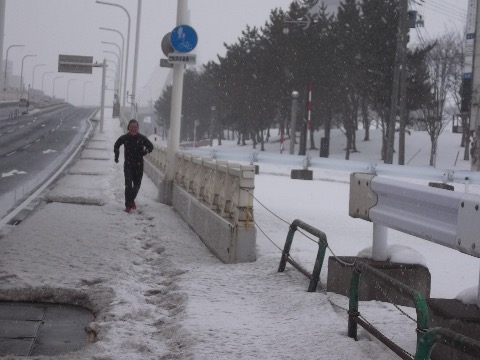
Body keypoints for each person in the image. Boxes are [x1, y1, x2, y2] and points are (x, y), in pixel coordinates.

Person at [114, 119, 154, 213]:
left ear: (138, 128)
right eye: (131, 127)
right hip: (128, 165)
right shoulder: (124, 138)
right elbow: (116, 145)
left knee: (136, 186)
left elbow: (151, 146)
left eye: (135, 127)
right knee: (128, 185)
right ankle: (128, 206)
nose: (133, 129)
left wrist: (145, 151)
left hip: (139, 165)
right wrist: (117, 156)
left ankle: (131, 200)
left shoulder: (142, 138)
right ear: (128, 128)